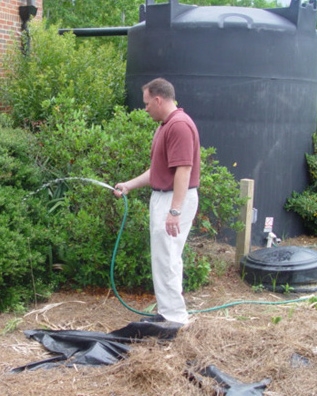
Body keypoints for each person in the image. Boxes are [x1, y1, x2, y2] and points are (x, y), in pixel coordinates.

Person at [114, 78, 200, 325]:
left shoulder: (179, 126)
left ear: (158, 99)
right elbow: (158, 171)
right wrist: (129, 185)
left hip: (174, 199)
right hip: (164, 197)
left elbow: (184, 170)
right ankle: (168, 312)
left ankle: (175, 318)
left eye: (147, 103)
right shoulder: (166, 125)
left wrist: (174, 210)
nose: (145, 108)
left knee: (168, 257)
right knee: (164, 257)